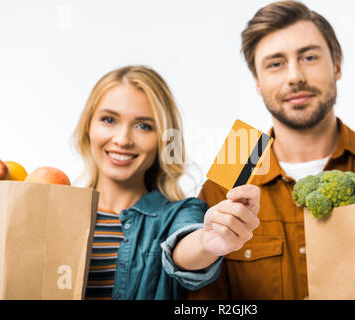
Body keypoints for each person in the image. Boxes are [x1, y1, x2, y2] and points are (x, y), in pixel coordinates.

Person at [188, 0, 355, 300]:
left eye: (309, 57)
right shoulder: (230, 168)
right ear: (257, 81)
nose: (294, 76)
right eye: (275, 63)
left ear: (337, 65)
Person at [72, 65, 260, 300]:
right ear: (88, 126)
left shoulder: (180, 212)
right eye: (109, 119)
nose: (122, 140)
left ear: (163, 138)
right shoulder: (55, 207)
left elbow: (185, 246)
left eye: (143, 126)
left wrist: (207, 242)